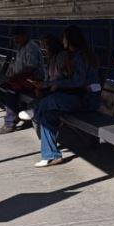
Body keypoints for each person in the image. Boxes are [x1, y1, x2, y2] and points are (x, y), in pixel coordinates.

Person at [27, 26, 102, 167]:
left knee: (51, 100)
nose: (62, 41)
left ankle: (35, 112)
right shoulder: (74, 56)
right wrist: (48, 84)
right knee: (47, 117)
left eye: (64, 38)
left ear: (70, 40)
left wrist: (57, 84)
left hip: (86, 100)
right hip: (78, 98)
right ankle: (51, 156)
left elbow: (78, 81)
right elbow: (65, 78)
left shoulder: (82, 57)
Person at [0, 27, 43, 135]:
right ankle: (19, 114)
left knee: (11, 91)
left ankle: (10, 122)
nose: (15, 40)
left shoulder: (31, 47)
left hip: (33, 80)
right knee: (1, 89)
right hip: (22, 79)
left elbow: (31, 68)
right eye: (14, 37)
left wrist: (16, 77)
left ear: (25, 36)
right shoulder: (21, 47)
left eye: (17, 37)